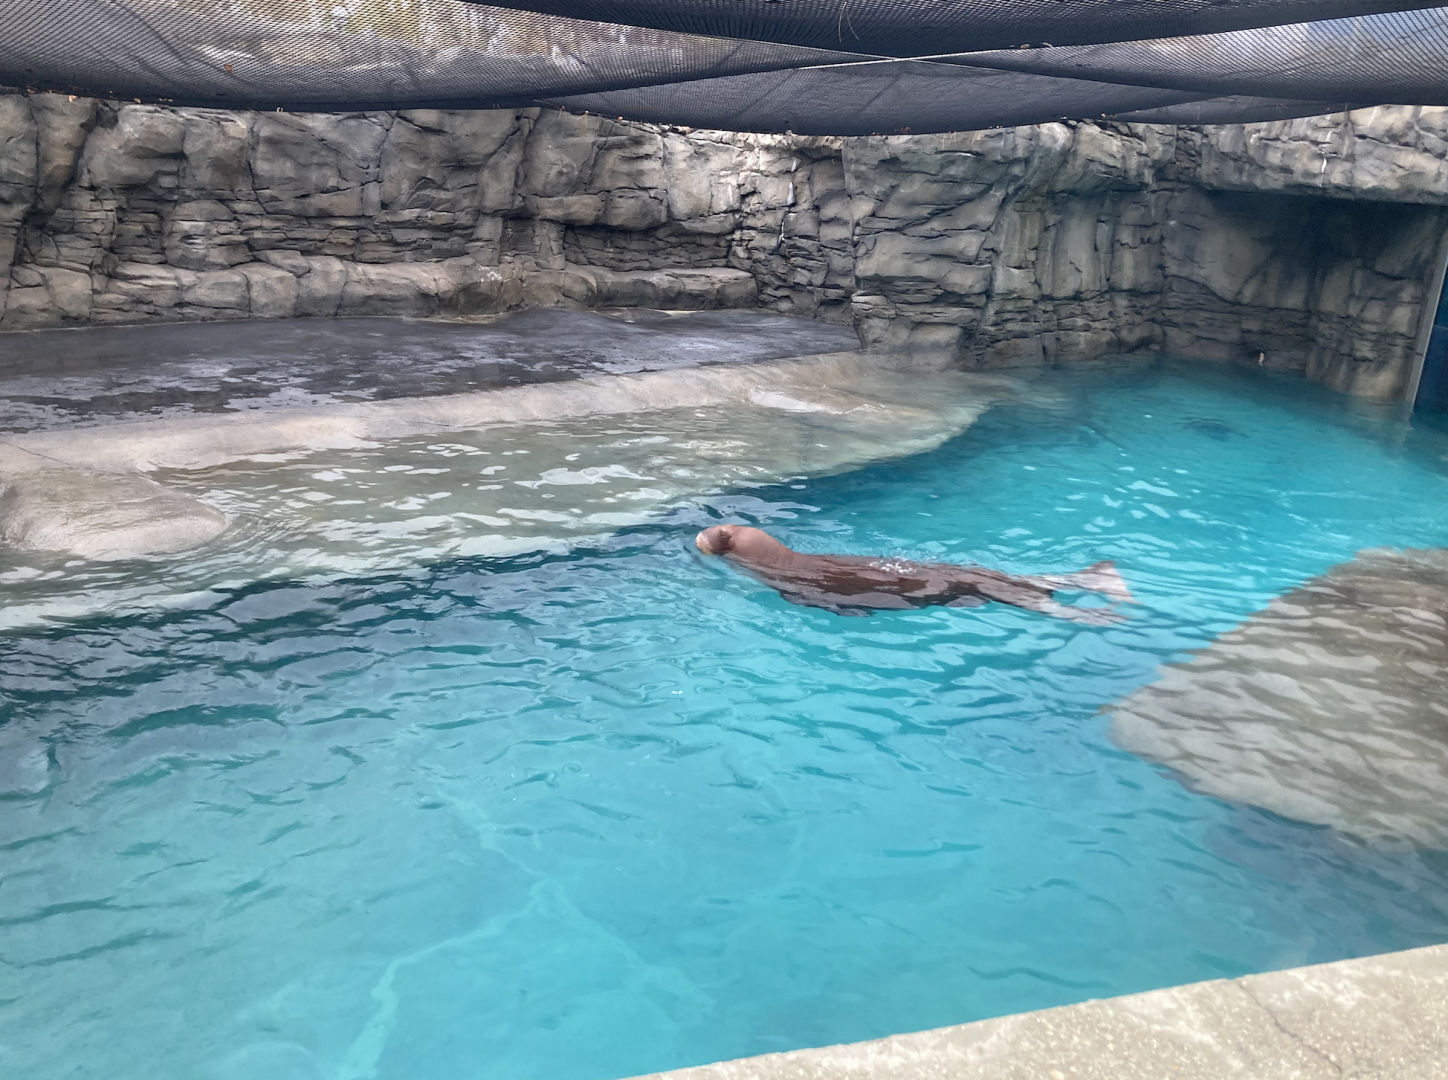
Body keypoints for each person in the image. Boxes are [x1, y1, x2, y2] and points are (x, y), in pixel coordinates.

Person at [695, 524, 1135, 624]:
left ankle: (1084, 598)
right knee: (967, 577)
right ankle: (1082, 597)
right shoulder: (777, 564)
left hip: (864, 580)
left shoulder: (774, 573)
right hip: (871, 576)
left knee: (968, 577)